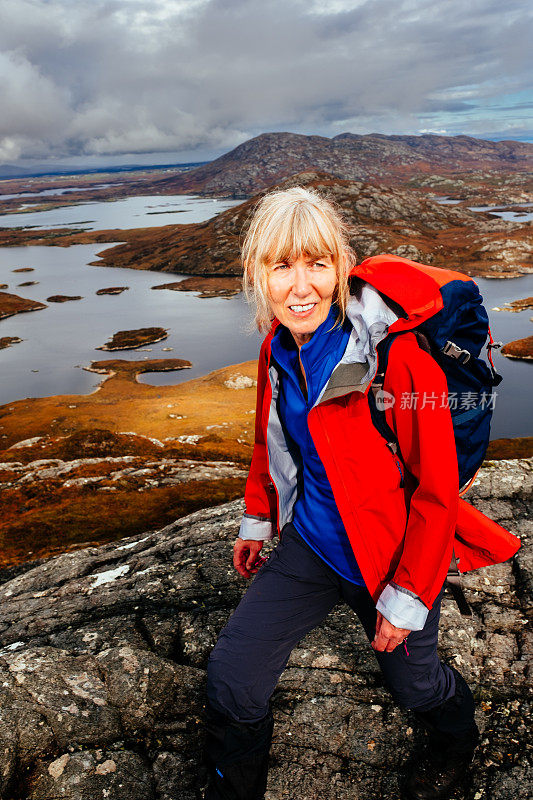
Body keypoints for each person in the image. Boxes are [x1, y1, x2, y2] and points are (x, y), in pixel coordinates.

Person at [203, 186, 518, 800]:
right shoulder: (276, 348)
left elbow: (436, 489)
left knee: (416, 685)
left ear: (341, 270)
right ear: (258, 275)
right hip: (312, 550)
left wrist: (407, 597)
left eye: (318, 264)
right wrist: (258, 518)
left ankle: (456, 740)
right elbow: (272, 439)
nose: (301, 287)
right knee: (232, 675)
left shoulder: (395, 361)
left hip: (388, 558)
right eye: (281, 265)